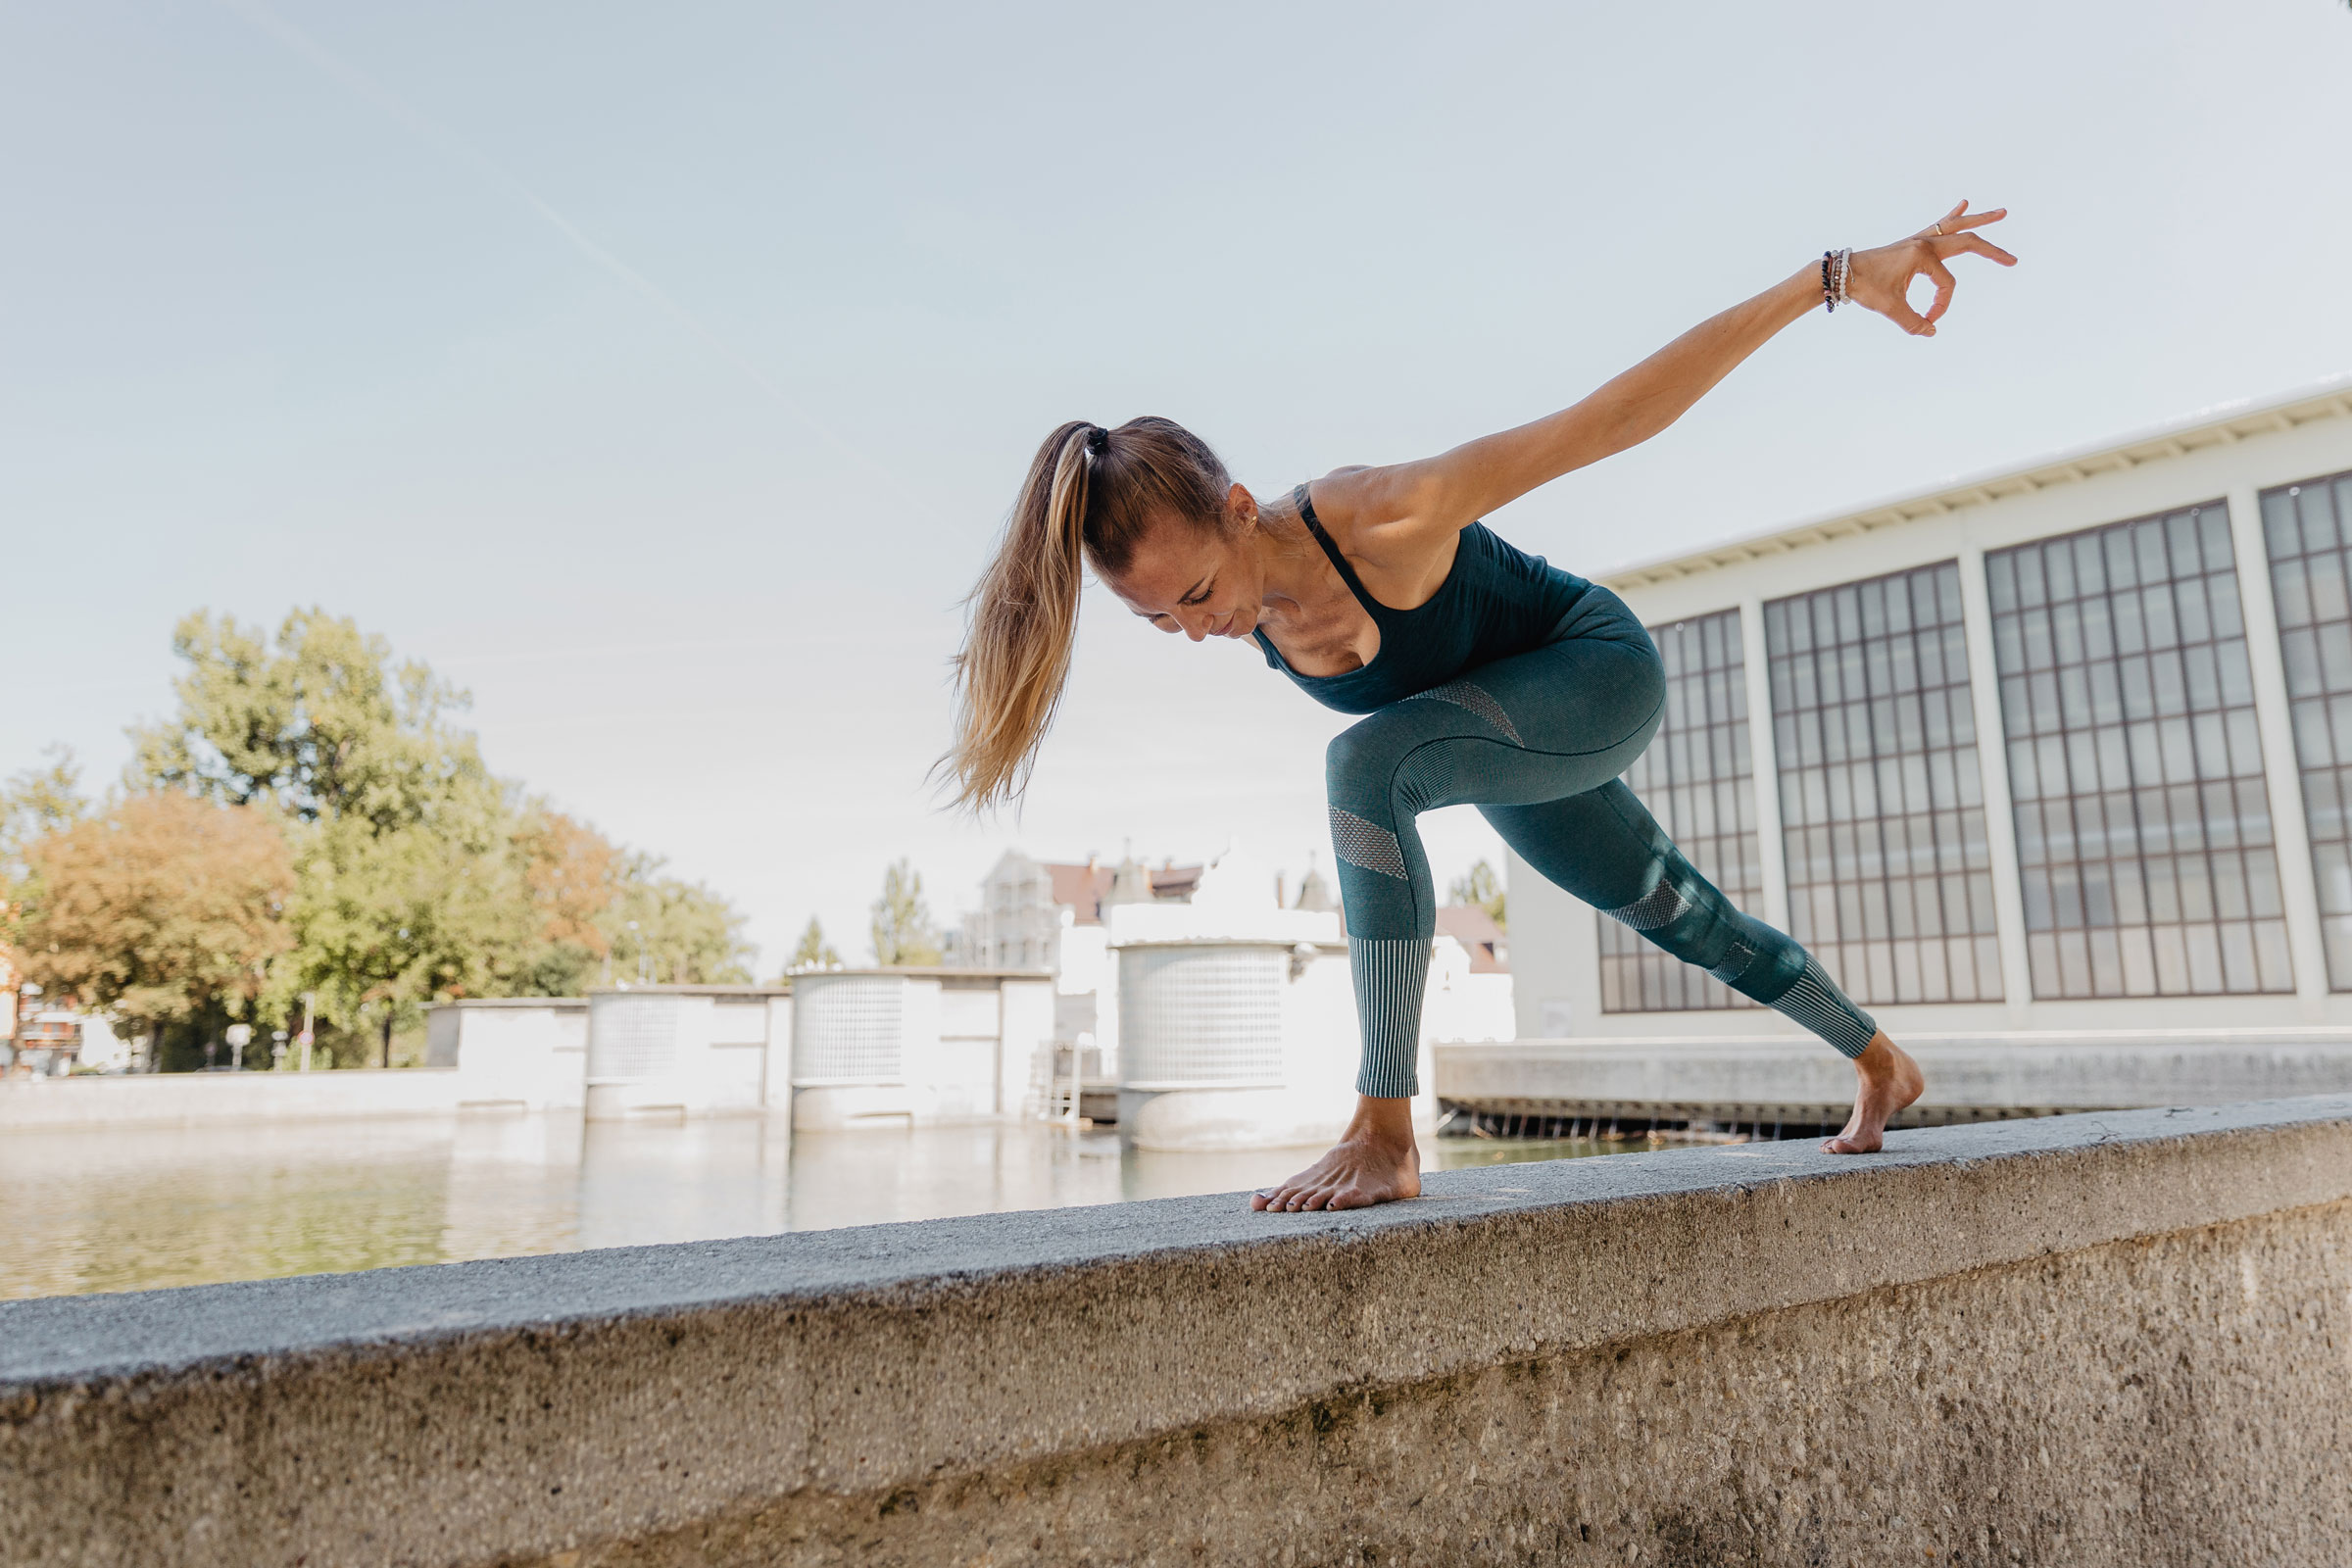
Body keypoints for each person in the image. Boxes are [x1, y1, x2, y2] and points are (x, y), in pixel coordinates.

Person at [943, 201, 2017, 1211]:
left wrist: (1828, 278)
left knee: (1365, 767)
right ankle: (1881, 1061)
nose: (1193, 629)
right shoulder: (1252, 609)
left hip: (1595, 669)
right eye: (1159, 621)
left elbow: (1608, 422)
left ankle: (1385, 1128)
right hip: (1494, 729)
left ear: (1237, 509)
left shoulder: (1379, 515)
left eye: (1195, 594)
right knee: (1680, 912)